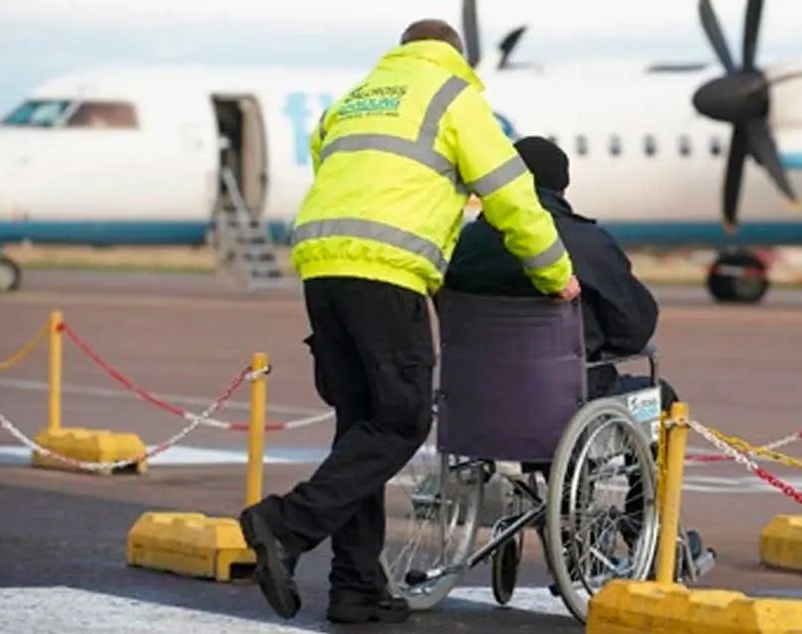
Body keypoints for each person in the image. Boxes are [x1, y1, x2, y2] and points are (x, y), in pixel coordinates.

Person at [238, 20, 580, 625]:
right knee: (402, 419)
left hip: (322, 266)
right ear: (456, 54)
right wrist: (555, 272)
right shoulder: (454, 96)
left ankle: (355, 588)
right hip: (385, 272)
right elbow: (511, 193)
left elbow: (329, 167)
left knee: (361, 428)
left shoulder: (356, 98)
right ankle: (284, 525)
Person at [443, 135, 707, 576]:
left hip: (476, 406)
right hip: (566, 407)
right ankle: (650, 536)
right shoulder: (585, 242)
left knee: (561, 396)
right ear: (561, 188)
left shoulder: (465, 245)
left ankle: (571, 527)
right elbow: (635, 329)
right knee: (659, 399)